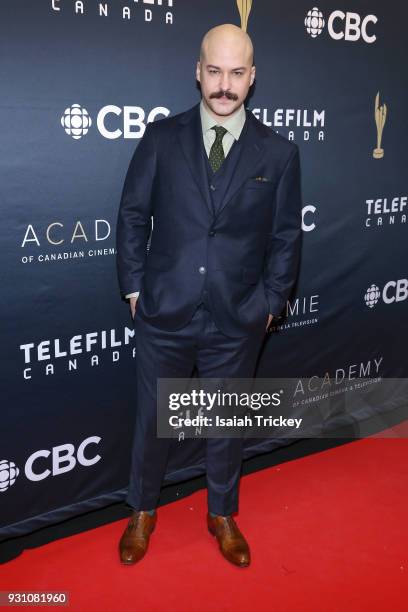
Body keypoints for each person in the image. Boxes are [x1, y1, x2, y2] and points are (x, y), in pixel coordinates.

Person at [115, 23, 302, 568]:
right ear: (198, 71)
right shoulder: (161, 138)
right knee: (154, 419)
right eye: (214, 71)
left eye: (236, 73)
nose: (224, 85)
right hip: (164, 310)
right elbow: (132, 216)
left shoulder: (279, 153)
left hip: (237, 317)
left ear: (252, 77)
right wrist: (133, 287)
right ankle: (142, 510)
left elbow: (286, 238)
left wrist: (269, 304)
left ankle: (222, 512)